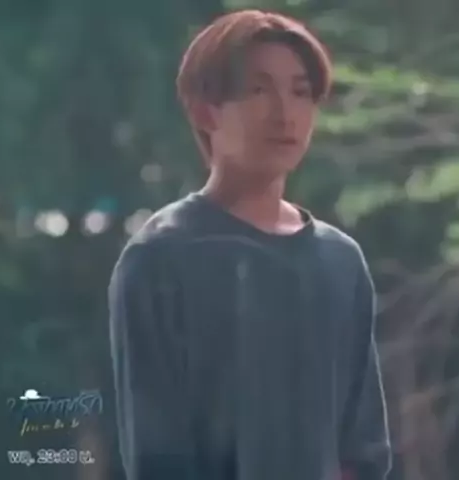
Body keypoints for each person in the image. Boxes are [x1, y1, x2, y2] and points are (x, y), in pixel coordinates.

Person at [108, 9, 391, 480]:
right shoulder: (161, 258)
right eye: (259, 90)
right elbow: (158, 452)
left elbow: (361, 448)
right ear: (206, 110)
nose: (285, 112)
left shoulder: (339, 261)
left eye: (301, 92)